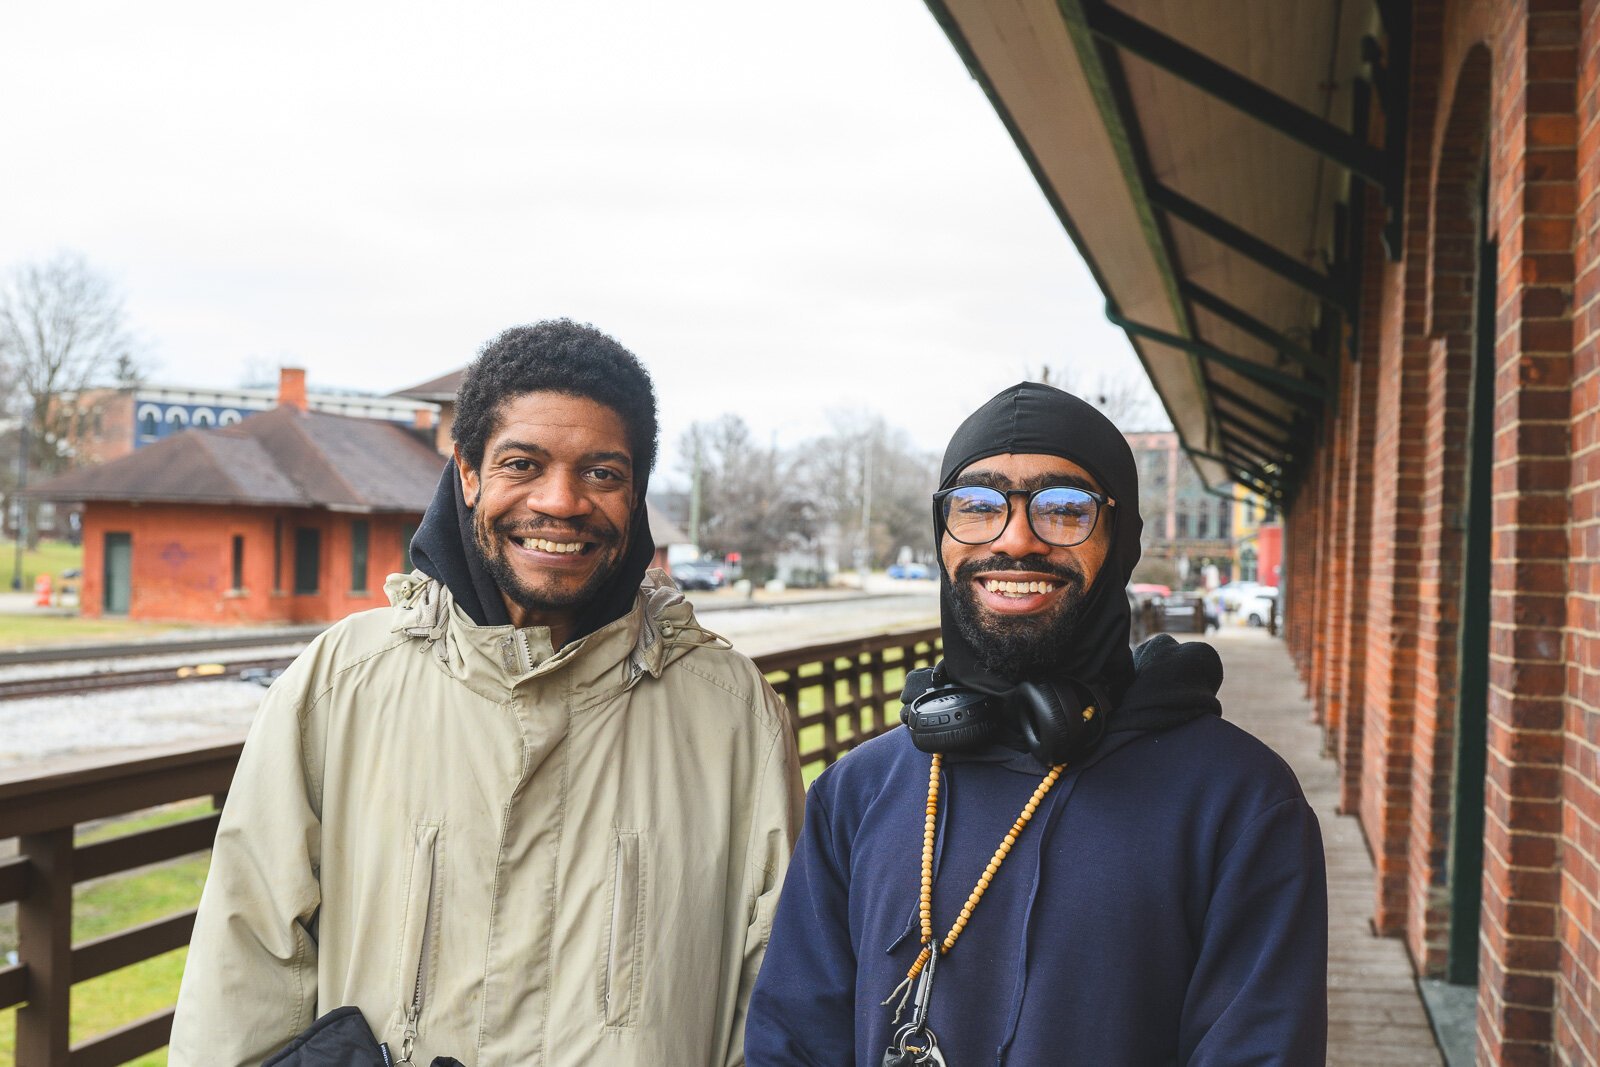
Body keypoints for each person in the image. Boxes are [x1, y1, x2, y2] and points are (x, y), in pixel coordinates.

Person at [172, 320, 804, 1066]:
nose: (561, 501)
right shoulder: (341, 684)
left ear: (635, 495)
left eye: (602, 472)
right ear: (467, 472)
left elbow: (775, 1005)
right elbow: (242, 970)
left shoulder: (732, 717)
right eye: (522, 463)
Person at [745, 382, 1327, 1066]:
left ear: (1124, 539)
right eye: (978, 505)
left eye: (1063, 508)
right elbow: (791, 1045)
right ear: (943, 536)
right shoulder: (857, 792)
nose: (1015, 538)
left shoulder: (1242, 801)